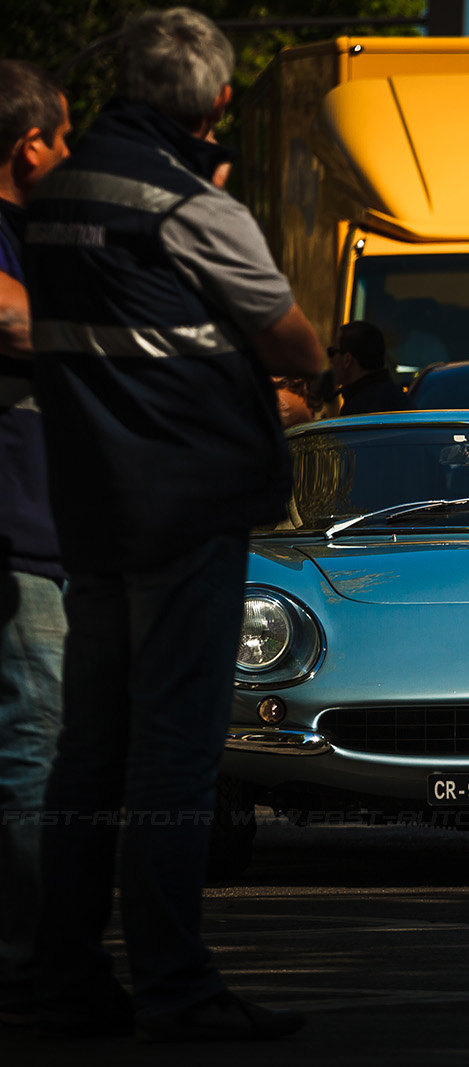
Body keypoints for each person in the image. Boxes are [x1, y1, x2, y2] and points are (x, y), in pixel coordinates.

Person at [24, 8, 323, 1042]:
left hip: (92, 504)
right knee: (173, 755)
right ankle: (178, 985)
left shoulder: (50, 195)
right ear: (218, 100)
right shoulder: (192, 204)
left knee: (88, 750)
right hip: (189, 504)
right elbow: (301, 343)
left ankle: (65, 970)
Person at [0, 57, 72, 1030]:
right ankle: (29, 956)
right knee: (32, 745)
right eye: (65, 139)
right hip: (14, 538)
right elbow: (14, 323)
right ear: (31, 144)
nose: (71, 156)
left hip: (34, 536)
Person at [331, 320, 407, 416]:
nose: (331, 360)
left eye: (332, 352)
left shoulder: (356, 412)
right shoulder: (400, 398)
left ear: (347, 360)